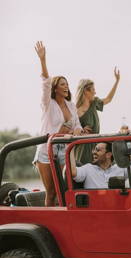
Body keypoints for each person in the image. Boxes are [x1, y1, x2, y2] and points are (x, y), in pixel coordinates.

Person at [33, 41, 82, 207]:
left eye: (67, 84)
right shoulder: (48, 104)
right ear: (55, 88)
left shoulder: (71, 106)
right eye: (62, 84)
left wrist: (77, 131)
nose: (66, 86)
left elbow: (77, 125)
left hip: (65, 148)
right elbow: (45, 82)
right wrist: (43, 60)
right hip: (47, 149)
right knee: (51, 192)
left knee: (65, 189)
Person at [75, 68, 120, 164]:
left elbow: (108, 99)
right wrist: (81, 131)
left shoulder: (94, 103)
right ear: (86, 91)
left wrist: (117, 81)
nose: (95, 92)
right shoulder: (76, 111)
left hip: (97, 146)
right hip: (84, 150)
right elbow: (72, 131)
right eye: (93, 90)